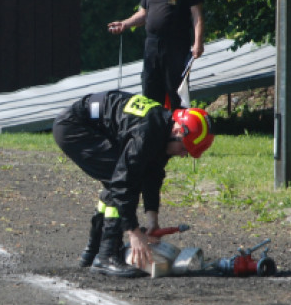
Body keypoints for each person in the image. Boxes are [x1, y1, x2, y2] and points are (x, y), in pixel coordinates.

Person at [53, 91, 214, 277]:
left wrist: (152, 220)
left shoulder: (163, 129)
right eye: (184, 148)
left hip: (85, 124)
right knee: (121, 179)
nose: (183, 154)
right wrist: (134, 233)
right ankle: (106, 256)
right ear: (178, 131)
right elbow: (123, 182)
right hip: (75, 127)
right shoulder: (148, 132)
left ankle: (94, 250)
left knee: (122, 177)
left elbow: (153, 174)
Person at [108, 0, 205, 110]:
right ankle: (154, 131)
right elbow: (143, 15)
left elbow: (197, 15)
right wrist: (124, 24)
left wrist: (198, 43)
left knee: (177, 92)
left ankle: (178, 132)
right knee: (150, 90)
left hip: (176, 45)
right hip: (152, 46)